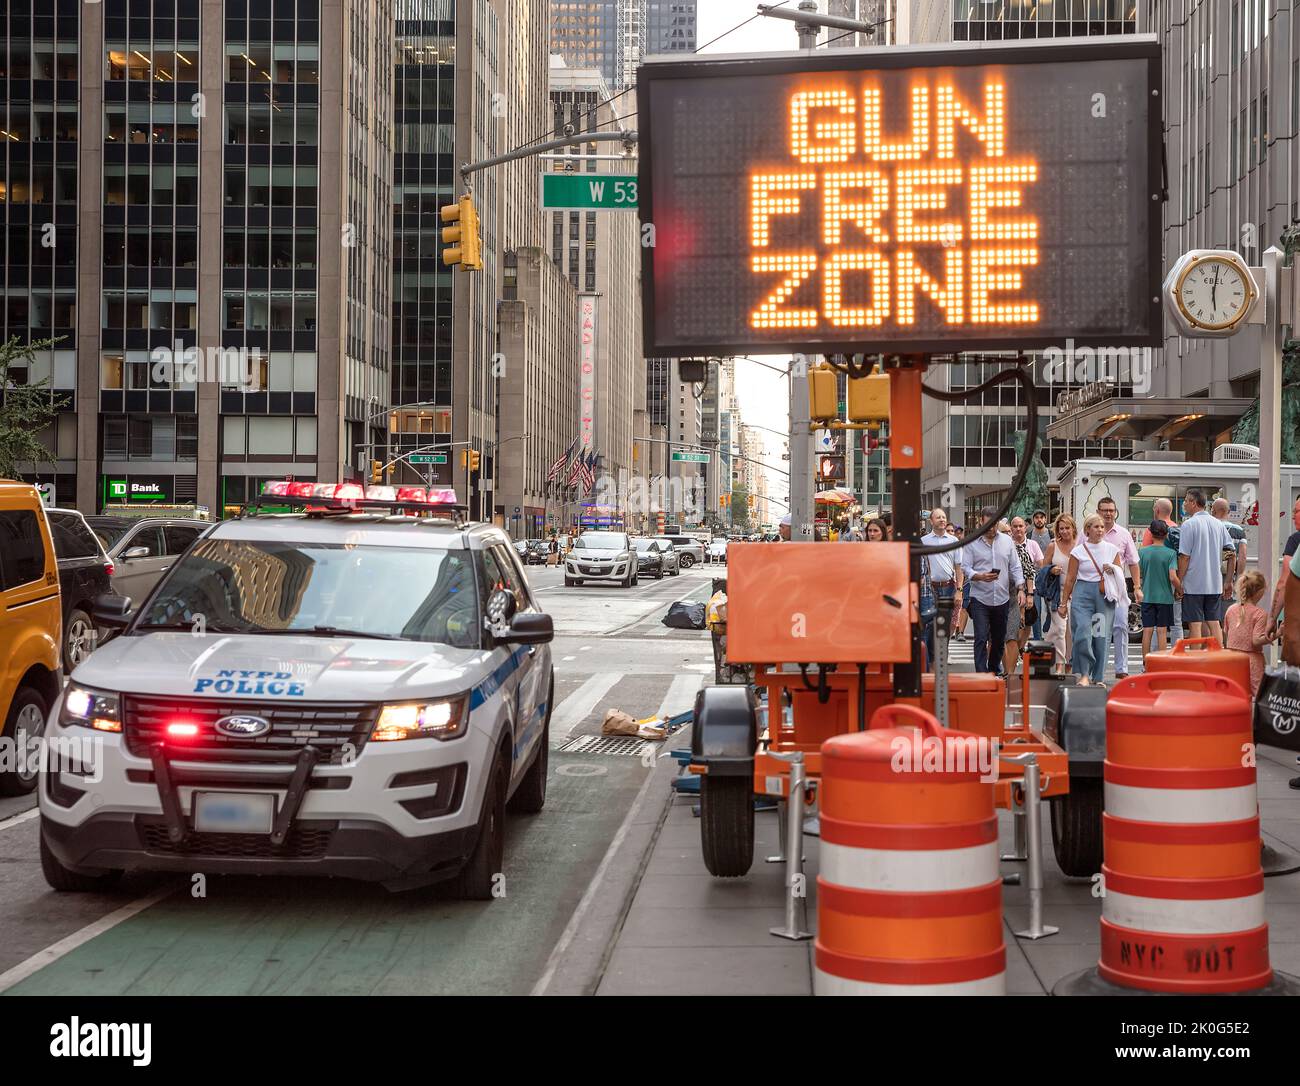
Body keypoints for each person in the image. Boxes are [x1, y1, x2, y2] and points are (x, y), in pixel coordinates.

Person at [1058, 513, 1125, 686]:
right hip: (1082, 593)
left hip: (1103, 594)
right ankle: (1084, 674)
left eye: (1102, 527)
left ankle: (1099, 677)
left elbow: (1119, 573)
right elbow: (1070, 578)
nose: (1100, 530)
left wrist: (1112, 569)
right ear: (1087, 530)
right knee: (1082, 632)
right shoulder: (1078, 551)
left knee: (1101, 635)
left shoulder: (1112, 549)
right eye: (1096, 527)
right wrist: (1063, 603)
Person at [960, 505, 1025, 676]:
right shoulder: (971, 541)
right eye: (988, 525)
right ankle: (981, 674)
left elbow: (1016, 566)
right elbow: (965, 567)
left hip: (1002, 598)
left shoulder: (1007, 541)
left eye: (995, 525)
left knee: (998, 639)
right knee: (981, 637)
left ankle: (994, 668)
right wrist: (978, 576)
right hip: (980, 597)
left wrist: (1020, 588)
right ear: (980, 522)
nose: (992, 529)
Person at [1097, 496, 1142, 678]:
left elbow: (1133, 562)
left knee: (1121, 627)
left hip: (1118, 588)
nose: (1108, 513)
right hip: (1096, 587)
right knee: (1099, 630)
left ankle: (1121, 669)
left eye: (1111, 510)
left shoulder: (1123, 534)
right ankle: (1097, 669)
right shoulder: (1088, 533)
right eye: (1104, 510)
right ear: (1098, 512)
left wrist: (1137, 587)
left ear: (1115, 512)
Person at [1177, 488, 1228, 641]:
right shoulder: (1219, 524)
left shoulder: (1188, 525)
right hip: (1214, 582)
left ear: (1193, 503)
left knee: (1195, 624)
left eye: (1186, 501)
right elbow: (1230, 551)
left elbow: (1184, 557)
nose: (1184, 504)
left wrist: (1180, 581)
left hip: (1194, 583)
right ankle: (1219, 658)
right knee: (1214, 622)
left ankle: (1196, 660)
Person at [920, 508, 963, 669]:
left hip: (949, 587)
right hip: (929, 589)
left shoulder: (953, 541)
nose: (942, 520)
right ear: (931, 521)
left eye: (944, 517)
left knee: (945, 626)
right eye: (938, 517)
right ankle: (931, 660)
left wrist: (959, 590)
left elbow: (959, 568)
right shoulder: (923, 541)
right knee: (930, 625)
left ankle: (941, 658)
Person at [1223, 570, 1276, 697]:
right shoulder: (1259, 614)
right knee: (1259, 695)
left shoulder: (1230, 610)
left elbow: (1226, 633)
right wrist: (1275, 635)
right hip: (1252, 661)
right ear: (1260, 592)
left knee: (1234, 694)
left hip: (1232, 659)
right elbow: (1256, 640)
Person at [1004, 516, 1042, 678]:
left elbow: (1035, 568)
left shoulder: (1030, 546)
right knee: (1007, 633)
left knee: (1024, 623)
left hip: (1023, 591)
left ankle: (1011, 667)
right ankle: (1005, 670)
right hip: (1001, 594)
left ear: (1025, 528)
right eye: (1014, 526)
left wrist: (1030, 593)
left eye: (1020, 526)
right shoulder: (1007, 546)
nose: (1018, 529)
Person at [1042, 514, 1079, 676]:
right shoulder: (1052, 546)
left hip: (1078, 594)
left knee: (1071, 631)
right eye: (1061, 528)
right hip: (1057, 593)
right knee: (1059, 628)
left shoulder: (1080, 545)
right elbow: (1043, 568)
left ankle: (1069, 664)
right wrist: (1051, 569)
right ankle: (1059, 665)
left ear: (1073, 528)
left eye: (1067, 528)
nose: (1064, 531)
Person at [1142, 497, 1183, 640]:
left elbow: (1145, 554)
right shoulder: (1179, 529)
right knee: (1176, 622)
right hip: (1174, 579)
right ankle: (1177, 655)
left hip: (1153, 583)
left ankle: (1153, 656)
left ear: (1157, 510)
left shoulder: (1151, 530)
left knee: (1154, 626)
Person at [1138, 520, 1179, 659]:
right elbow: (1173, 577)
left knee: (1147, 631)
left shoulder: (1142, 552)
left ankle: (1145, 662)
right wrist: (1181, 589)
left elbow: (1139, 573)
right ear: (1167, 534)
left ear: (1150, 533)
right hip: (1165, 598)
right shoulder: (1171, 553)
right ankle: (1161, 662)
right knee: (1161, 631)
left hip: (1147, 596)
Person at [1212, 497, 1247, 642]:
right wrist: (1238, 578)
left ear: (1213, 511)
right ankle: (1228, 648)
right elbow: (1243, 556)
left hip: (1211, 578)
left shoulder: (1211, 527)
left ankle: (1214, 649)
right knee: (1229, 617)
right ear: (1228, 512)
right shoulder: (1238, 530)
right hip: (1230, 578)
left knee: (1212, 618)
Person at [1267, 496, 1300, 633]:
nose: (1293, 517)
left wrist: (1271, 618)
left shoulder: (1296, 540)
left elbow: (1284, 581)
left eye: (1296, 511)